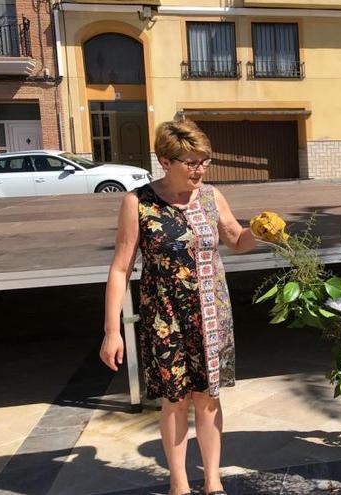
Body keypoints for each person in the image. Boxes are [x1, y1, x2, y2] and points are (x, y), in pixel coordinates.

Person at [100, 119, 257, 495]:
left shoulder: (211, 196)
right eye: (191, 162)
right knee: (174, 401)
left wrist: (261, 232)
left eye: (204, 161)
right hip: (164, 319)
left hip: (211, 315)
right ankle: (179, 483)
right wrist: (111, 331)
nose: (199, 170)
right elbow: (121, 268)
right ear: (165, 161)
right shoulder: (137, 203)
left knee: (207, 398)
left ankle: (213, 481)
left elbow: (237, 240)